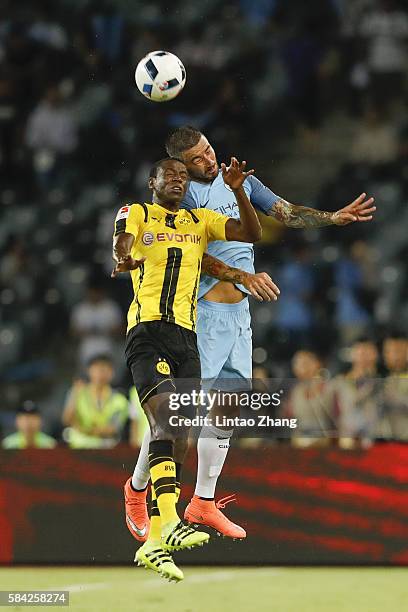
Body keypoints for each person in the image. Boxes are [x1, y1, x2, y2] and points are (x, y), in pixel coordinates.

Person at [125, 125, 376, 543]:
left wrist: (332, 217)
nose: (209, 160)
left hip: (238, 314)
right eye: (197, 160)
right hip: (199, 312)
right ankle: (137, 492)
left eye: (209, 150)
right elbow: (189, 255)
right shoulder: (183, 196)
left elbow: (283, 211)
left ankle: (203, 502)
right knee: (175, 414)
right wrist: (242, 274)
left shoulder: (237, 180)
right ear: (181, 168)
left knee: (228, 405)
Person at [113, 156, 270, 582]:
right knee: (165, 420)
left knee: (180, 432)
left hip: (187, 335)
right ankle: (162, 521)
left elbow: (252, 234)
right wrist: (125, 258)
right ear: (153, 181)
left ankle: (158, 538)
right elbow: (123, 243)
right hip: (147, 329)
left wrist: (238, 191)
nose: (179, 181)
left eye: (184, 177)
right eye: (171, 176)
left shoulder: (198, 222)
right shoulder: (137, 212)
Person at [62, 354, 128, 449]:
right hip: (79, 447)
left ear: (112, 373)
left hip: (107, 447)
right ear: (89, 371)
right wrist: (75, 394)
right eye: (97, 369)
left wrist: (86, 430)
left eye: (105, 369)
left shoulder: (119, 399)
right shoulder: (77, 392)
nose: (101, 373)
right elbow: (66, 420)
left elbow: (114, 428)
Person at [381, 332, 408, 440]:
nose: (392, 356)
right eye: (387, 351)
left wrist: (398, 399)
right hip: (387, 440)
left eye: (397, 351)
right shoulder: (382, 380)